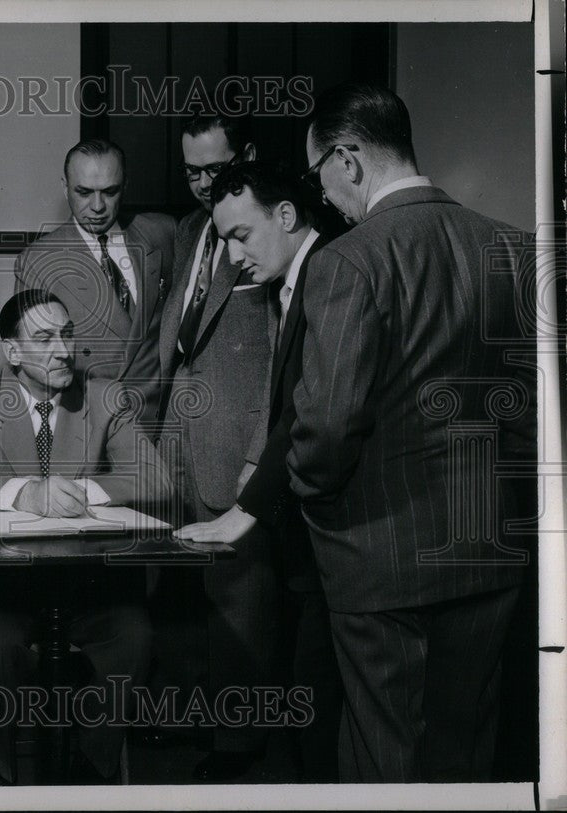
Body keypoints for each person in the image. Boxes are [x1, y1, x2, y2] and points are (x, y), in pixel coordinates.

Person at [287, 82, 534, 782]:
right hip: (489, 549)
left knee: (382, 762)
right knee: (466, 760)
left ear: (349, 158)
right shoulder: (511, 247)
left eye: (318, 176)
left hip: (378, 556)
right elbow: (533, 415)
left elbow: (329, 423)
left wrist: (311, 493)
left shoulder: (348, 260)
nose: (323, 196)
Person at [0, 289, 170, 784]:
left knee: (135, 635)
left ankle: (91, 771)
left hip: (88, 588)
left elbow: (156, 479)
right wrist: (24, 493)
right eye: (44, 338)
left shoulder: (105, 397)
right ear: (13, 351)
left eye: (66, 334)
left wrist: (78, 490)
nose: (63, 349)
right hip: (5, 590)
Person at [173, 161, 342, 781]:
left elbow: (308, 410)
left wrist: (245, 506)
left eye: (242, 235)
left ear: (286, 216)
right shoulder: (296, 274)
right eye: (223, 240)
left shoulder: (332, 272)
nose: (233, 254)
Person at [156, 114, 280, 781]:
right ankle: (193, 729)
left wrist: (257, 460)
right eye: (191, 170)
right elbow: (184, 337)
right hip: (179, 439)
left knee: (242, 605)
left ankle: (240, 748)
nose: (202, 183)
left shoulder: (272, 231)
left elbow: (280, 366)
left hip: (237, 448)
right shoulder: (188, 230)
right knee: (183, 599)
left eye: (214, 168)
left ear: (248, 156)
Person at [15, 138, 175, 426]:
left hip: (162, 428)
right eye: (84, 192)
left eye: (110, 192)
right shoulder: (37, 261)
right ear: (65, 187)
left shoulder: (163, 233)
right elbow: (34, 367)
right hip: (89, 430)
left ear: (125, 185)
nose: (98, 206)